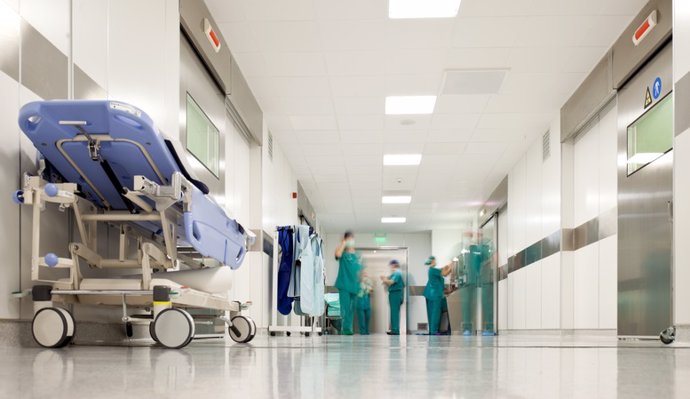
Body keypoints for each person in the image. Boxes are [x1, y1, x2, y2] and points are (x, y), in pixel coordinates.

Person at [334, 231, 361, 335]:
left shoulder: (356, 255)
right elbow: (337, 254)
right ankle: (345, 329)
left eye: (352, 239)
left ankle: (348, 328)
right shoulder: (341, 251)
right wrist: (343, 244)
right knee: (345, 307)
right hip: (344, 285)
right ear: (345, 240)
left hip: (354, 286)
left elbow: (359, 270)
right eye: (348, 239)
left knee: (351, 309)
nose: (351, 241)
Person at [423, 256, 453, 335]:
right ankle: (434, 331)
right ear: (432, 261)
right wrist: (452, 266)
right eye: (435, 260)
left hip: (432, 294)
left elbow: (442, 269)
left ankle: (432, 330)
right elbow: (445, 273)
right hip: (434, 295)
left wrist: (449, 264)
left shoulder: (432, 270)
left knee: (432, 312)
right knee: (435, 313)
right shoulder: (432, 270)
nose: (436, 261)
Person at [380, 259, 404, 335]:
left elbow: (391, 282)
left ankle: (395, 330)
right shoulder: (394, 273)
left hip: (396, 294)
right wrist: (385, 279)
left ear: (393, 265)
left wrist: (384, 279)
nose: (390, 267)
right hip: (394, 293)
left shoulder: (397, 273)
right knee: (393, 312)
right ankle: (394, 329)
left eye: (391, 265)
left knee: (395, 312)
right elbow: (388, 280)